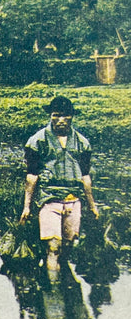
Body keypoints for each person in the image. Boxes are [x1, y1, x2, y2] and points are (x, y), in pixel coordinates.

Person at [19, 96, 98, 280]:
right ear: (50, 116)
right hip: (49, 198)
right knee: (53, 246)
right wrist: (27, 206)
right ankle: (53, 291)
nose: (61, 120)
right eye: (56, 116)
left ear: (72, 117)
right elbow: (32, 176)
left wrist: (92, 205)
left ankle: (64, 283)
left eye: (65, 116)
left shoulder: (81, 143)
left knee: (69, 244)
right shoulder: (38, 141)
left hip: (73, 199)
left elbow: (85, 177)